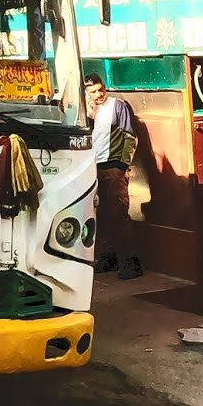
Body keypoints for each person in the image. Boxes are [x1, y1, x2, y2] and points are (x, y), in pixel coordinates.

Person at [85, 74, 142, 279]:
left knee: (119, 214)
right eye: (93, 91)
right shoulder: (85, 112)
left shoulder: (117, 106)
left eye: (101, 89)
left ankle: (130, 263)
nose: (99, 94)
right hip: (93, 168)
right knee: (101, 215)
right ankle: (108, 258)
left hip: (113, 168)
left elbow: (130, 136)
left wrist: (122, 165)